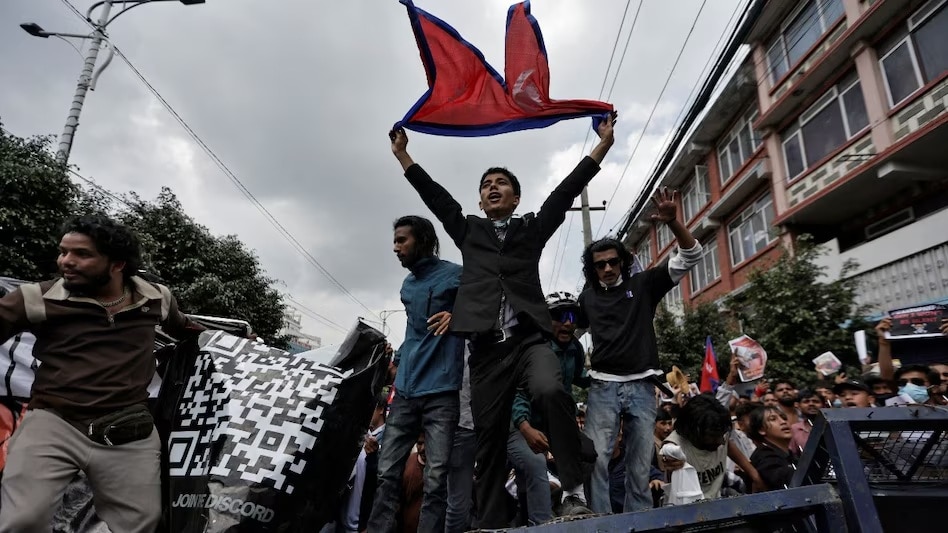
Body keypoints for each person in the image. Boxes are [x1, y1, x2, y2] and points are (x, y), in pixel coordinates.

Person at [389, 114, 616, 527]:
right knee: (489, 440)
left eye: (501, 183)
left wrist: (600, 147)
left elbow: (564, 193)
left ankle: (572, 491)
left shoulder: (530, 229)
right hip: (487, 352)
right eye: (485, 185)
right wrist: (405, 156)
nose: (492, 188)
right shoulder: (469, 230)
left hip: (529, 343)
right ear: (479, 201)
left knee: (549, 389)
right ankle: (491, 522)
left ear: (514, 198)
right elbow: (437, 199)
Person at [0, 215, 203, 533]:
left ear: (117, 263)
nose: (66, 262)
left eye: (82, 254)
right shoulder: (36, 298)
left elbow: (187, 329)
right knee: (22, 521)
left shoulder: (155, 298)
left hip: (127, 430)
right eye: (63, 251)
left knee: (139, 523)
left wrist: (239, 345)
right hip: (55, 422)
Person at [577, 197, 703, 514]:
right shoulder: (587, 298)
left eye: (612, 262)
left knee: (639, 463)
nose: (607, 268)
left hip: (643, 387)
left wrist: (674, 221)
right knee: (597, 460)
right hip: (602, 387)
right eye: (600, 264)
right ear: (593, 269)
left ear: (623, 261)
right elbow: (564, 334)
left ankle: (640, 521)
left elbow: (691, 255)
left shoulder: (644, 284)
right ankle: (603, 522)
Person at [367, 216, 464, 533]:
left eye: (401, 240)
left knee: (436, 478)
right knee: (386, 472)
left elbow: (488, 303)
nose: (395, 248)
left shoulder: (456, 275)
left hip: (442, 394)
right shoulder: (407, 286)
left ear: (422, 240)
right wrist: (395, 364)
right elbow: (413, 331)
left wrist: (458, 314)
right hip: (406, 392)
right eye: (394, 241)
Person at [507, 292, 591, 524]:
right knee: (534, 465)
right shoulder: (535, 350)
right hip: (522, 423)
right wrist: (525, 428)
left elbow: (579, 376)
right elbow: (520, 392)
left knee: (588, 453)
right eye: (559, 316)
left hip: (556, 422)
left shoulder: (574, 347)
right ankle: (538, 524)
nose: (567, 322)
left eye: (572, 315)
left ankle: (573, 503)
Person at [659, 394, 764, 501]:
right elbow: (668, 453)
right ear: (694, 431)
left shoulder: (718, 429)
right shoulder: (676, 446)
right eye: (713, 436)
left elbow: (728, 444)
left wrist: (754, 476)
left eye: (722, 435)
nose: (721, 442)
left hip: (716, 502)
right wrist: (670, 459)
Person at [747, 406, 796, 491]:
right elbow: (788, 482)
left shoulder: (790, 454)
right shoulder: (764, 457)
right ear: (761, 430)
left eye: (784, 418)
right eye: (773, 419)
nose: (783, 422)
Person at [790, 389, 823, 456]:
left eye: (815, 401)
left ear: (823, 405)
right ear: (798, 406)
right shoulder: (794, 429)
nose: (811, 404)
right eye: (806, 402)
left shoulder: (832, 426)